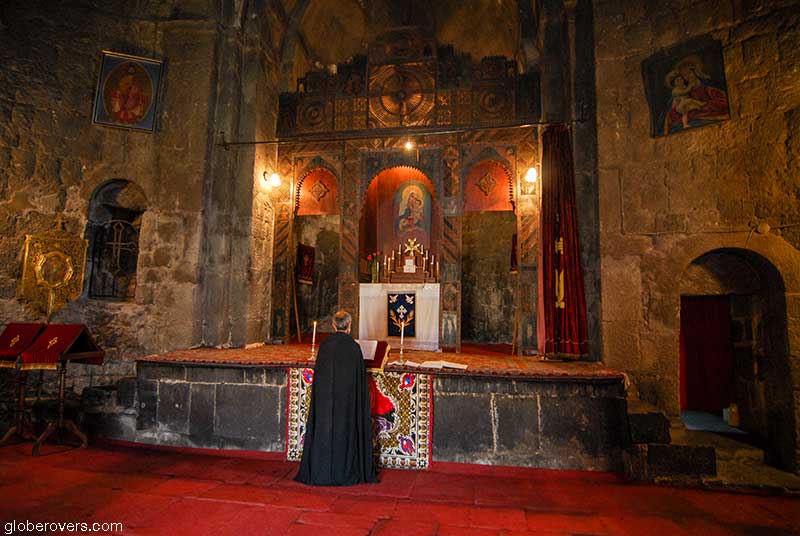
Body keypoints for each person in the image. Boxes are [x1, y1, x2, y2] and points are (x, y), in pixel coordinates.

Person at [295, 310, 378, 486]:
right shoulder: (354, 348)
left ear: (333, 325)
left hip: (325, 403)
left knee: (325, 429)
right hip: (347, 403)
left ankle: (322, 470)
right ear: (349, 326)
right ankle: (345, 470)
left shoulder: (325, 346)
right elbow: (359, 381)